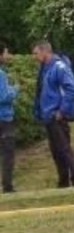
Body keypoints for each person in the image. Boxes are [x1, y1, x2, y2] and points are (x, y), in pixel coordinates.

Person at [32, 40, 74, 188]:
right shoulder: (45, 68)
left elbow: (72, 88)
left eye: (36, 53)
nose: (35, 57)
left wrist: (62, 110)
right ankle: (63, 181)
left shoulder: (59, 67)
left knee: (64, 149)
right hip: (48, 115)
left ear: (45, 51)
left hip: (57, 115)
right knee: (56, 151)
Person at [0, 41, 17, 193]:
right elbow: (4, 97)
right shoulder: (1, 74)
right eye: (5, 52)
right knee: (7, 153)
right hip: (4, 119)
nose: (7, 55)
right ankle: (7, 186)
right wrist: (15, 89)